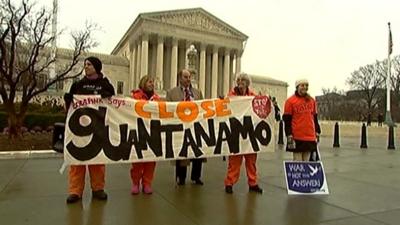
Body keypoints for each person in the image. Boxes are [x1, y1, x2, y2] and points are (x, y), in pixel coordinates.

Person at [63, 56, 115, 203]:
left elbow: (115, 105)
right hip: (79, 129)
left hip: (98, 129)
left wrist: (108, 96)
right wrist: (68, 100)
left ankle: (98, 189)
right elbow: (69, 107)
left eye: (89, 64)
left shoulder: (105, 85)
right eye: (85, 64)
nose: (86, 67)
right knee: (77, 161)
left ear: (97, 67)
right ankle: (75, 191)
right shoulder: (78, 85)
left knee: (97, 160)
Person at [224, 72, 279, 194]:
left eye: (243, 81)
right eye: (238, 81)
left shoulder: (253, 96)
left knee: (251, 161)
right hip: (236, 133)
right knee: (234, 161)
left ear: (247, 83)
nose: (240, 83)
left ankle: (253, 183)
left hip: (250, 133)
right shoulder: (231, 95)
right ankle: (229, 183)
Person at [166, 69, 204, 186]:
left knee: (197, 152)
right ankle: (181, 177)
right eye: (186, 77)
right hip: (180, 127)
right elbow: (167, 110)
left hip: (195, 127)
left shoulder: (197, 93)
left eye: (189, 77)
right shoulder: (172, 93)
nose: (188, 79)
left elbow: (203, 107)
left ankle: (196, 177)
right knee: (182, 153)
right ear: (180, 78)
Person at [130, 75, 159, 194]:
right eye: (149, 82)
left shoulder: (156, 98)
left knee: (151, 161)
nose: (152, 84)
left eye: (152, 82)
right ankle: (135, 183)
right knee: (137, 161)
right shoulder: (135, 97)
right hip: (139, 132)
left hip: (152, 132)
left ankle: (147, 183)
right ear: (143, 83)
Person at [282, 79, 321, 161]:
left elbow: (314, 117)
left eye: (306, 85)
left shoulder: (312, 101)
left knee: (307, 164)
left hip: (310, 136)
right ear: (297, 87)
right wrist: (289, 134)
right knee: (298, 163)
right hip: (297, 137)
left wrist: (317, 131)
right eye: (302, 85)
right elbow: (287, 120)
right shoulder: (290, 101)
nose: (305, 87)